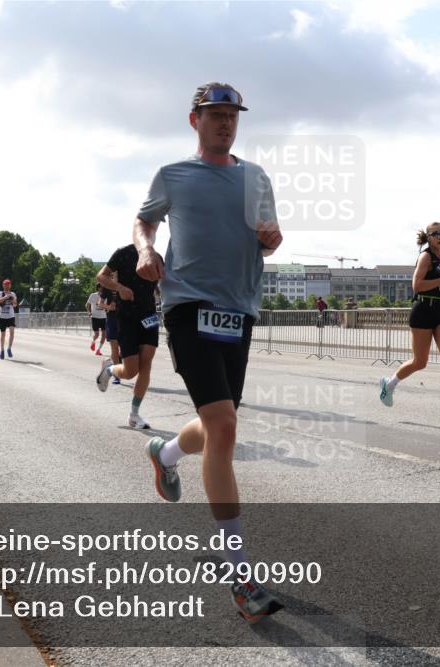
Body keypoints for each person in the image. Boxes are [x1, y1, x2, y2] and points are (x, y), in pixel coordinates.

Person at [133, 82, 284, 623]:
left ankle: (166, 453)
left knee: (219, 422)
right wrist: (146, 249)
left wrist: (271, 237)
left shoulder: (255, 178)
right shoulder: (173, 174)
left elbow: (270, 237)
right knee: (223, 427)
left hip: (238, 310)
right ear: (194, 119)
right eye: (215, 114)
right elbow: (145, 219)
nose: (225, 122)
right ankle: (241, 578)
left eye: (232, 115)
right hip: (188, 305)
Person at [378, 222, 440, 428]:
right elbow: (417, 285)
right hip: (423, 310)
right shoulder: (425, 257)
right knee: (420, 362)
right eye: (436, 233)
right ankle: (389, 384)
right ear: (429, 236)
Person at [95, 244, 159, 429]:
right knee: (131, 372)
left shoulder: (157, 257)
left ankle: (134, 415)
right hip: (127, 317)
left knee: (146, 365)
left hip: (149, 317)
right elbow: (101, 276)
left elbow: (166, 283)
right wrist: (120, 287)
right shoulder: (124, 253)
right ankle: (109, 370)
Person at [0, 279, 18, 359]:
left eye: (8, 285)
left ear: (10, 285)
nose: (7, 286)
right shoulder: (0, 293)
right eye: (5, 285)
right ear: (3, 285)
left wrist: (12, 300)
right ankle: (2, 350)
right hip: (2, 317)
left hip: (11, 316)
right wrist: (5, 297)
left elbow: (15, 305)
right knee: (3, 334)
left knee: (12, 333)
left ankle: (9, 348)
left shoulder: (13, 294)